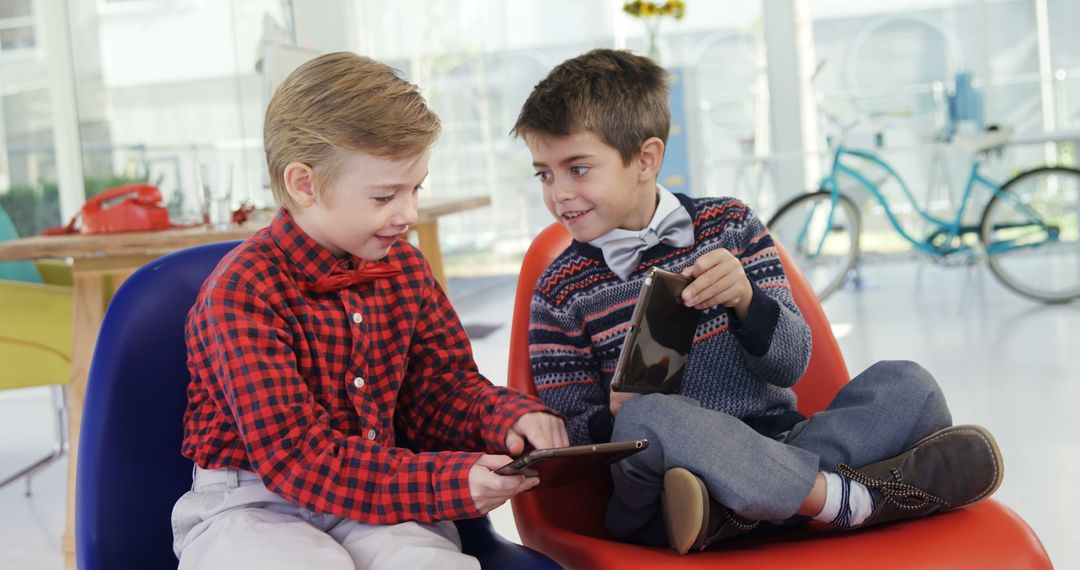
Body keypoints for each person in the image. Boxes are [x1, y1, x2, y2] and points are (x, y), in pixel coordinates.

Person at [512, 48, 1003, 555]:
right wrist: (611, 413)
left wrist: (747, 299)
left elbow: (790, 365)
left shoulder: (730, 224)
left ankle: (751, 509)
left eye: (578, 168)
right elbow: (565, 431)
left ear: (646, 159)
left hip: (779, 442)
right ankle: (842, 496)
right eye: (544, 174)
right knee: (649, 418)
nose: (559, 194)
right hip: (669, 480)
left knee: (910, 383)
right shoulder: (560, 290)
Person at [172, 52, 568, 570]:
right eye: (385, 195)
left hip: (375, 491)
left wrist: (505, 419)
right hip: (253, 502)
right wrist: (447, 482)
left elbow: (439, 388)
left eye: (415, 188)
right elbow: (299, 460)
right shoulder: (242, 293)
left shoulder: (405, 269)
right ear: (304, 184)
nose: (408, 214)